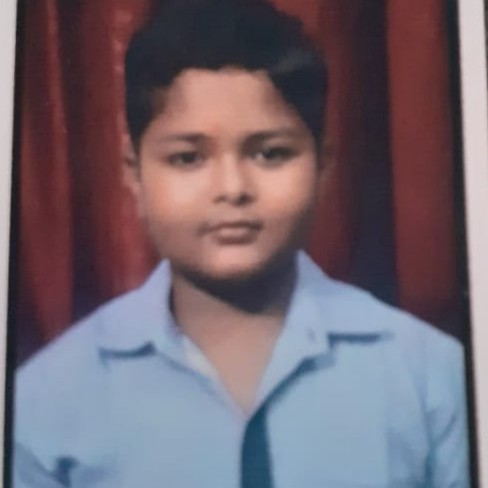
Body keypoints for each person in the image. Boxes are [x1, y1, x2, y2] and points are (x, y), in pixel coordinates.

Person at [13, 0, 469, 487]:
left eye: (270, 153)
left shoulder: (431, 376)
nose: (232, 189)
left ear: (323, 165)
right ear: (134, 173)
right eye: (187, 158)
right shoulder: (47, 399)